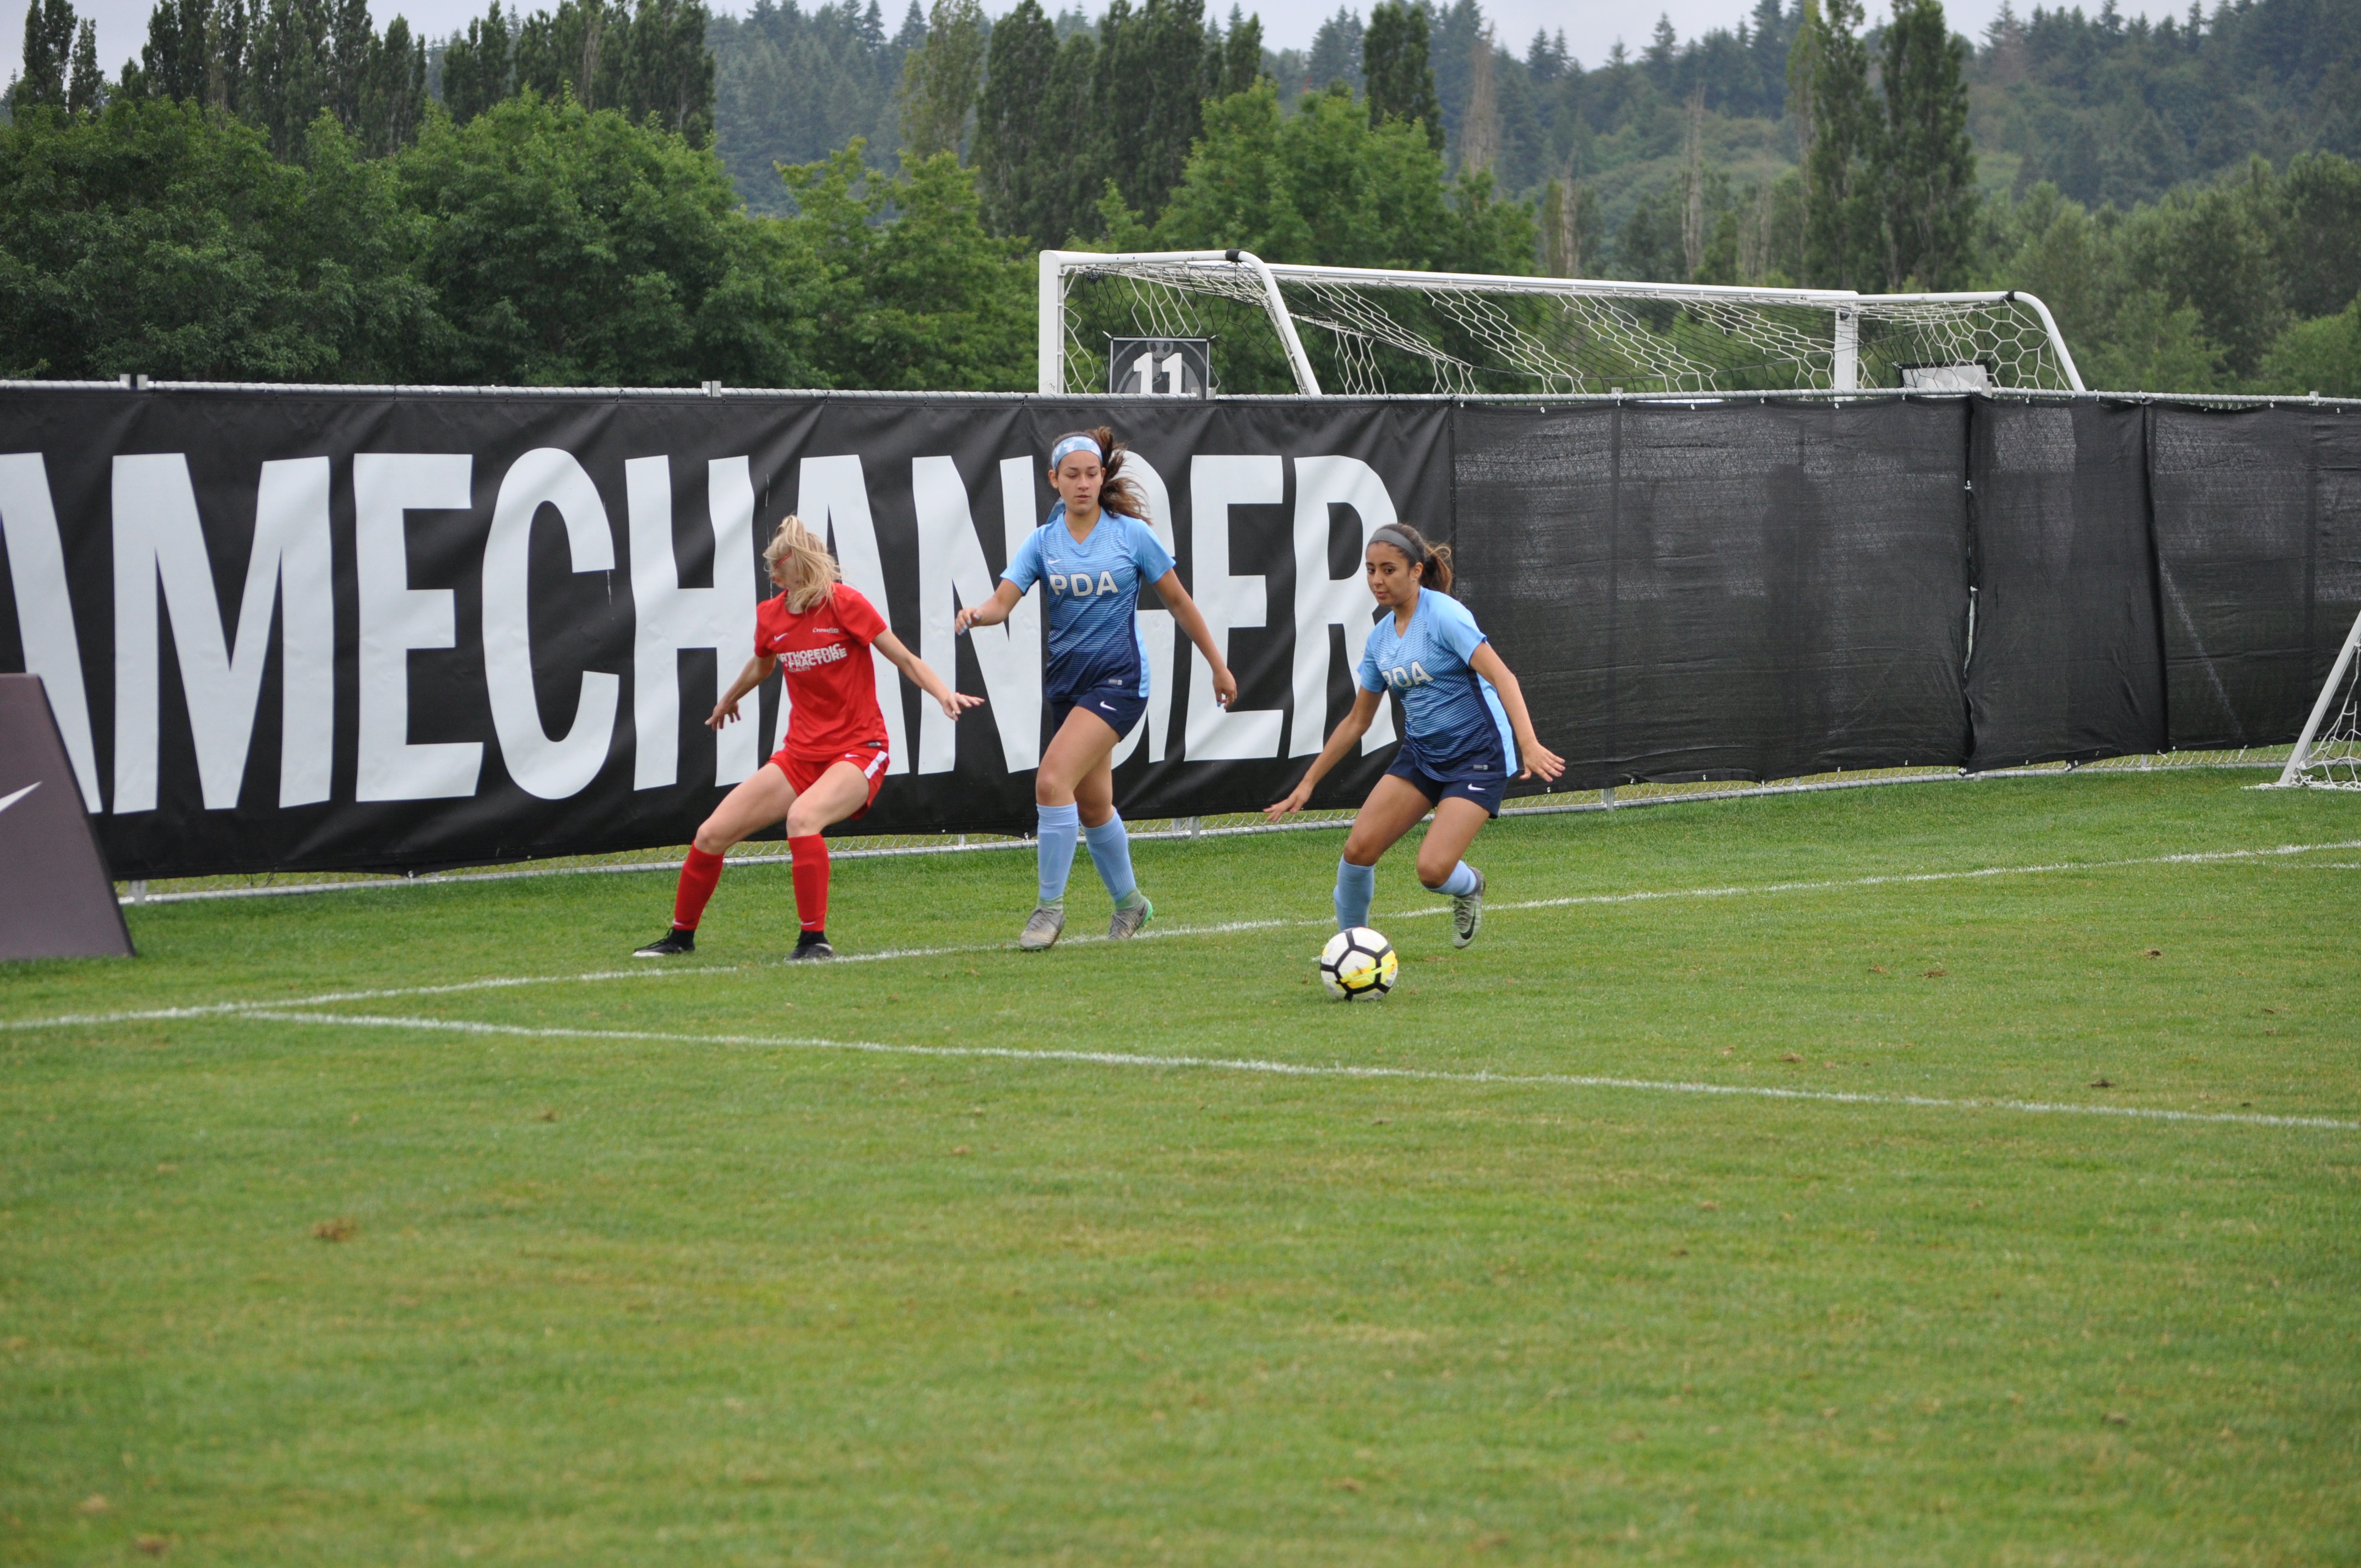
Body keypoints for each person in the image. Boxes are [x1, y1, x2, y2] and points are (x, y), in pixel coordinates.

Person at [635, 514, 981, 961]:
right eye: (770, 566)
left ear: (800, 563)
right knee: (709, 834)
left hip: (861, 750)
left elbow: (905, 658)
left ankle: (813, 939)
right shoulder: (771, 616)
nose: (773, 573)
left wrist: (943, 693)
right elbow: (761, 666)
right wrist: (727, 700)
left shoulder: (845, 604)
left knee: (802, 819)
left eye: (780, 564)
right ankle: (680, 937)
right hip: (800, 755)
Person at [956, 427, 1240, 950]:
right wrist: (978, 613)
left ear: (1103, 476)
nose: (1084, 483)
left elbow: (1180, 602)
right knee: (1092, 807)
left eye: (1092, 473)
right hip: (1066, 687)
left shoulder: (1130, 535)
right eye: (1073, 475)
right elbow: (1001, 604)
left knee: (1050, 782)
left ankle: (1048, 911)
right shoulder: (1042, 542)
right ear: (1054, 481)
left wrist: (1218, 667)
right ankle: (1131, 903)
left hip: (1120, 683)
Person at [1264, 522, 1564, 948]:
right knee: (1358, 852)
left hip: (1478, 756)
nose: (1377, 580)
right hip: (1423, 755)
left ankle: (1468, 886)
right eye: (1370, 570)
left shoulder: (1443, 615)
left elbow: (1502, 676)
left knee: (1433, 871)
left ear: (1416, 572)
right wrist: (1308, 784)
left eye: (1389, 570)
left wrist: (1529, 744)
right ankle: (1352, 949)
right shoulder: (1380, 640)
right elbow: (1357, 720)